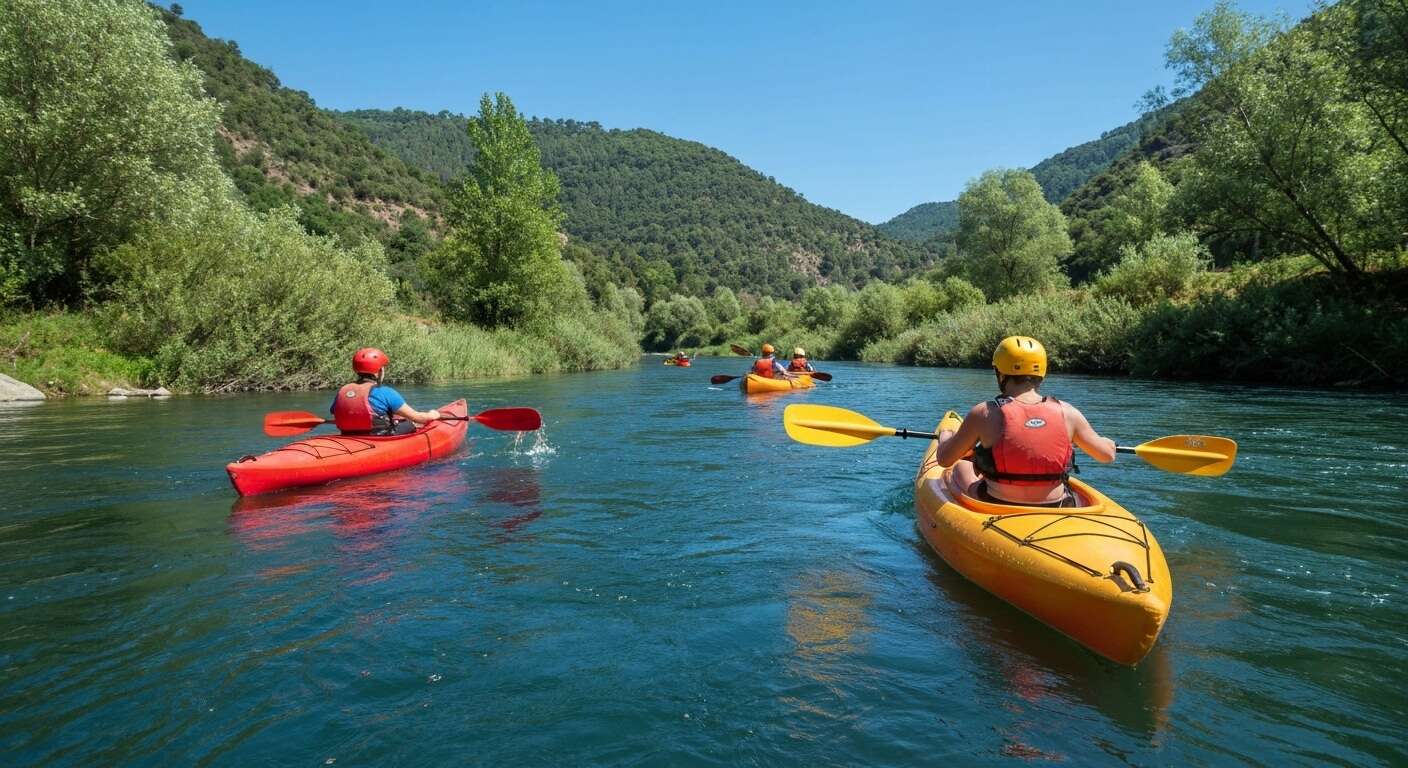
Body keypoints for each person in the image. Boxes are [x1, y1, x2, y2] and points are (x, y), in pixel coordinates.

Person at [934, 336, 1116, 507]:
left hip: (997, 503)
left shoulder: (984, 413)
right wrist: (1108, 443)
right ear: (1042, 373)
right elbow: (1107, 455)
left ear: (1000, 374)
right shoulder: (1068, 413)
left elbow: (944, 459)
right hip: (1056, 505)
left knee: (961, 466)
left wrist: (945, 436)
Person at [330, 347, 442, 436]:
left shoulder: (343, 391)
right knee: (410, 423)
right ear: (380, 371)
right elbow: (418, 417)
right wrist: (433, 414)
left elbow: (336, 412)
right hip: (379, 437)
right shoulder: (384, 392)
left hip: (348, 435)